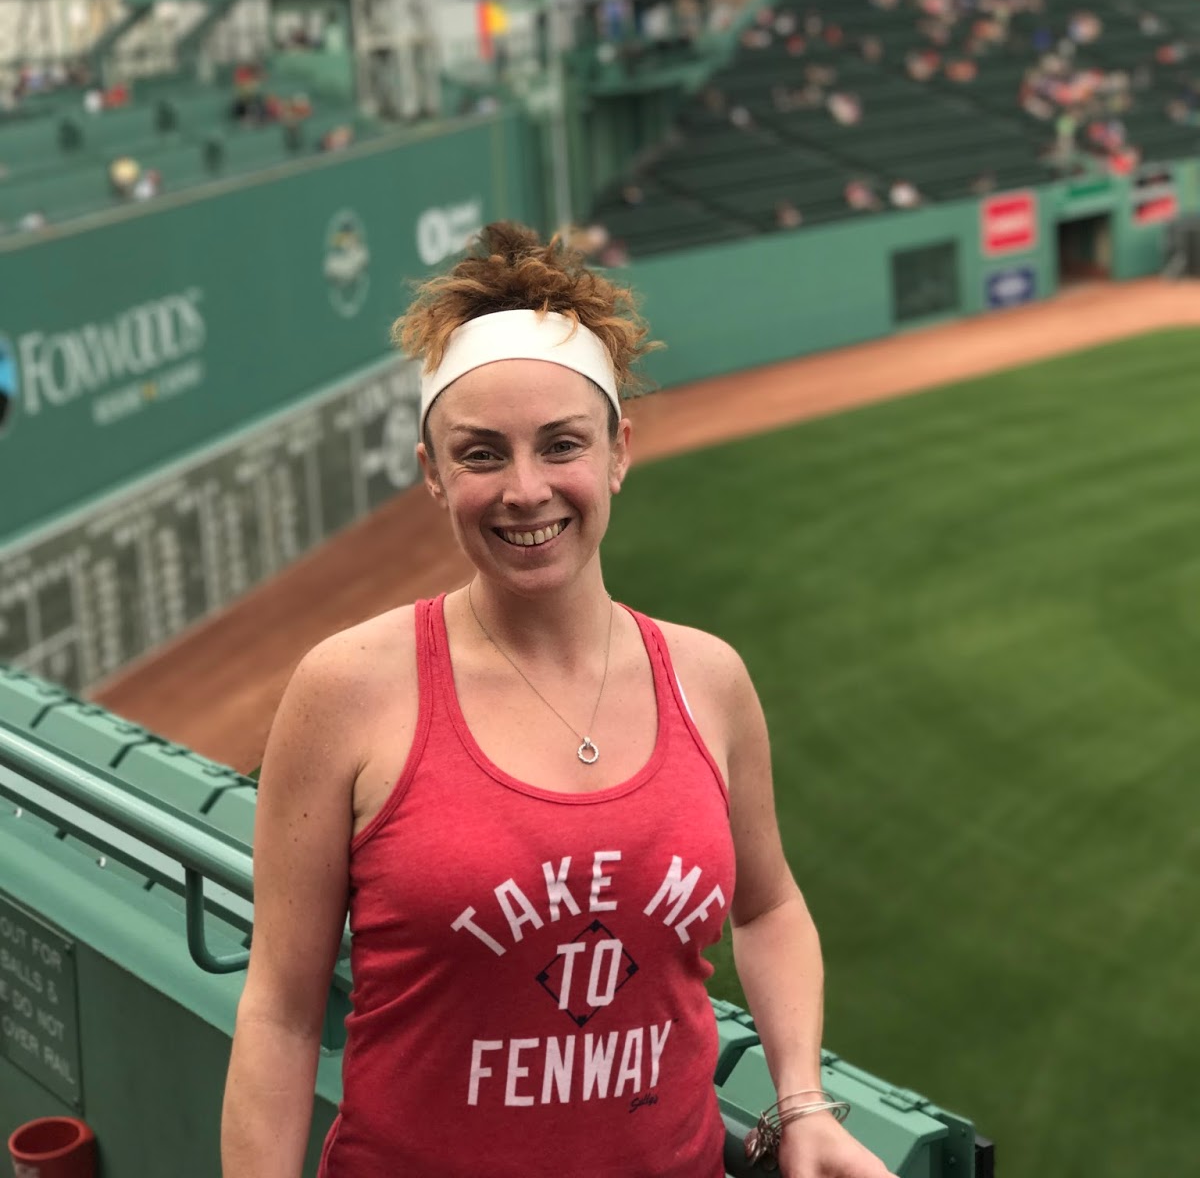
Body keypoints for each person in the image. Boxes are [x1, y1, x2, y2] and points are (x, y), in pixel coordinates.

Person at [221, 223, 893, 1178]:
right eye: (482, 454)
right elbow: (283, 1014)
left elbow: (769, 906)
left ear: (619, 451)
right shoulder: (347, 689)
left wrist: (803, 1103)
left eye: (562, 445)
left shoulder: (709, 679)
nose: (527, 490)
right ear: (432, 473)